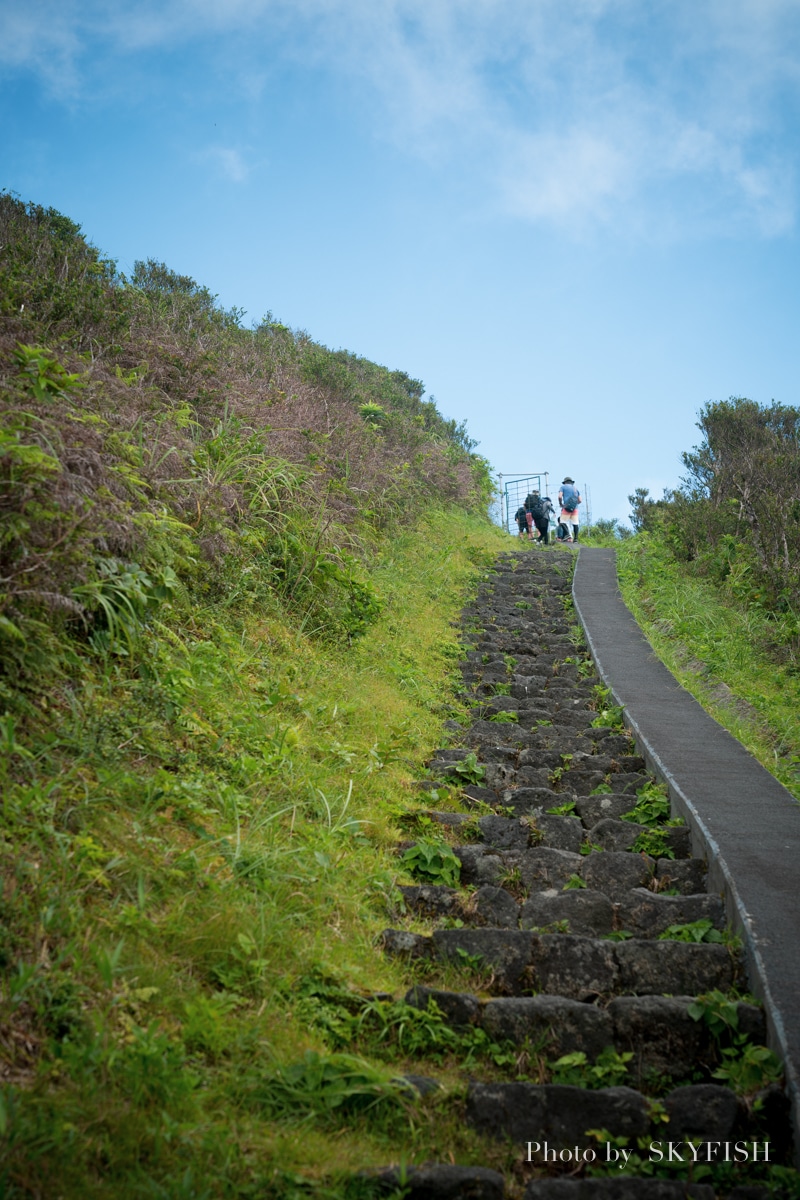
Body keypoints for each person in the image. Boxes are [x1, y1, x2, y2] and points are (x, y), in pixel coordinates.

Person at [558, 477, 582, 543]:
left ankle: (567, 534)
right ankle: (576, 539)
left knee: (562, 521)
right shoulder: (575, 489)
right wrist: (574, 504)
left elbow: (560, 496)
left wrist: (561, 503)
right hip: (575, 508)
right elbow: (580, 500)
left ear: (565, 482)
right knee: (575, 523)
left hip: (566, 507)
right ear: (571, 482)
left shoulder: (563, 487)